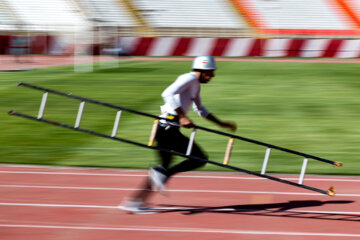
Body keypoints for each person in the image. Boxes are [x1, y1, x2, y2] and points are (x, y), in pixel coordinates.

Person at [120, 55, 237, 213]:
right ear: (201, 71)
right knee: (199, 158)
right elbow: (167, 93)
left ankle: (134, 202)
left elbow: (200, 109)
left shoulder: (196, 84)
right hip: (168, 127)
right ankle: (161, 177)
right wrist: (182, 116)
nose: (212, 76)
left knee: (161, 169)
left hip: (167, 128)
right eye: (210, 72)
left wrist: (221, 124)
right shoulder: (188, 78)